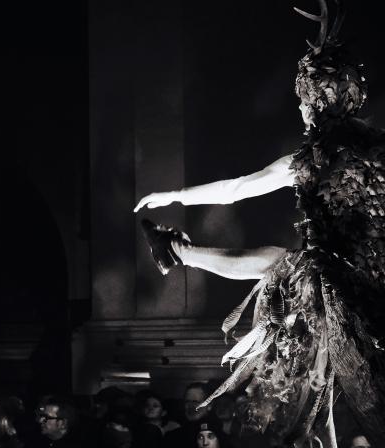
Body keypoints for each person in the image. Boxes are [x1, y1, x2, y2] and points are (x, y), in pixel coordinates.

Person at [135, 2, 385, 447]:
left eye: (304, 103)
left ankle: (176, 251)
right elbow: (236, 190)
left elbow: (236, 189)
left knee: (289, 276)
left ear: (314, 101)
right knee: (290, 278)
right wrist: (175, 195)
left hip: (346, 282)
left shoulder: (308, 159)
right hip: (362, 280)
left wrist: (175, 195)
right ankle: (176, 251)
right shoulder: (368, 152)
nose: (304, 112)